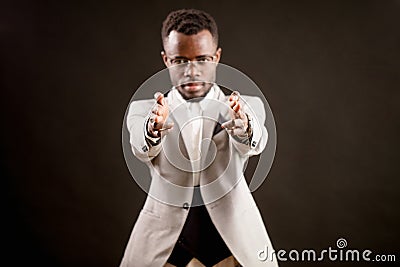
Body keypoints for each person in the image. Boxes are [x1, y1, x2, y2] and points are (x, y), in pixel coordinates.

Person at [120, 9, 278, 267]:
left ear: (216, 57)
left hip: (234, 250)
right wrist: (152, 128)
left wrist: (245, 126)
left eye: (202, 59)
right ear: (166, 60)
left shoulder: (247, 106)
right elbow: (141, 145)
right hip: (166, 251)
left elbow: (255, 140)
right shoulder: (143, 110)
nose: (191, 71)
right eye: (180, 60)